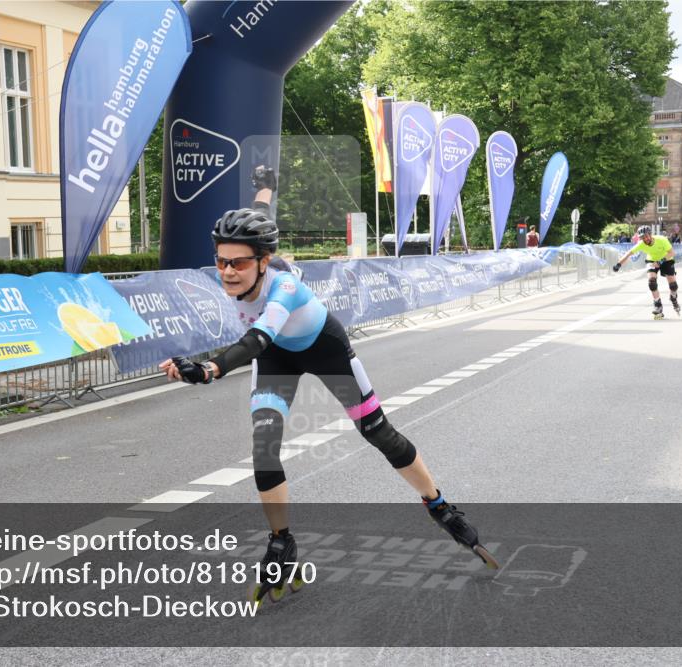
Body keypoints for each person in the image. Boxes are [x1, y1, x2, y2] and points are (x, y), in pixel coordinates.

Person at [159, 167, 498, 601]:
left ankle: (438, 504)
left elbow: (257, 338)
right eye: (221, 261)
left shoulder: (282, 288)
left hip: (323, 347)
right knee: (263, 448)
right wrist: (268, 184)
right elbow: (261, 210)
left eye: (238, 263)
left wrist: (209, 370)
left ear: (263, 261)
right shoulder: (246, 262)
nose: (227, 271)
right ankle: (282, 540)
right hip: (277, 357)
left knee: (379, 434)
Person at [612, 225, 679, 317]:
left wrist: (660, 261)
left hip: (666, 259)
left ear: (650, 234)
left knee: (673, 285)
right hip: (651, 260)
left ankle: (673, 297)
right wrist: (618, 264)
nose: (645, 239)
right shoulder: (641, 244)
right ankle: (657, 304)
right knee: (651, 282)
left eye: (647, 236)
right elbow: (629, 253)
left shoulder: (661, 239)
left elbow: (672, 253)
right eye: (643, 237)